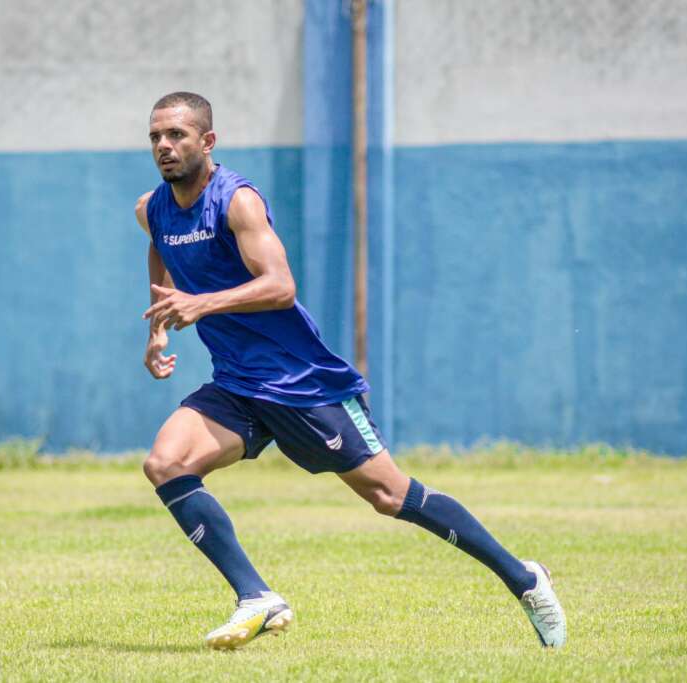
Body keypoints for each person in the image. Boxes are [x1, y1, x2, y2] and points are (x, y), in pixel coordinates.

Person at [135, 92, 566, 651]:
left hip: (300, 381)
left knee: (389, 496)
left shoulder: (236, 201)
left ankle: (524, 579)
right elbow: (159, 250)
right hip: (236, 383)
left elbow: (280, 286)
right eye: (155, 138)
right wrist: (159, 328)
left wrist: (203, 303)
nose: (165, 147)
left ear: (207, 141)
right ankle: (256, 598)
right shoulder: (153, 208)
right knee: (165, 463)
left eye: (177, 136)